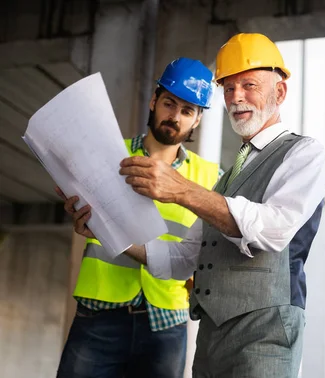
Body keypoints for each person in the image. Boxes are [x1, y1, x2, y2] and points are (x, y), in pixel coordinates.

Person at [66, 33, 325, 377]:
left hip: (264, 335)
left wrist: (182, 191)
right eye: (229, 88)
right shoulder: (228, 178)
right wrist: (105, 229)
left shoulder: (304, 153)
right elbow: (181, 260)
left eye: (249, 85)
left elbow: (274, 229)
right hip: (211, 337)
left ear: (279, 93)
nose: (236, 98)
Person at [56, 57, 220, 378]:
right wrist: (79, 218)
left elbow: (210, 252)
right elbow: (83, 211)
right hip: (99, 312)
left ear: (197, 120)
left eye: (187, 111)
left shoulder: (211, 177)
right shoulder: (108, 154)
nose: (175, 116)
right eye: (169, 103)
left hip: (166, 321)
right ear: (153, 100)